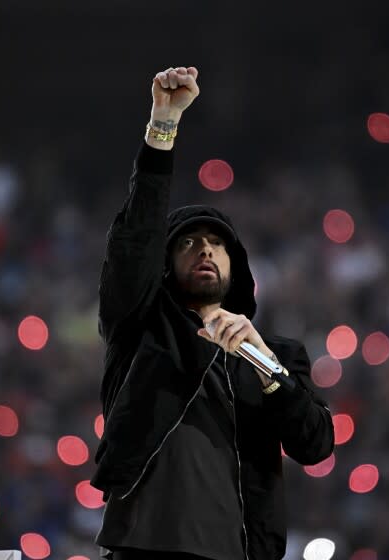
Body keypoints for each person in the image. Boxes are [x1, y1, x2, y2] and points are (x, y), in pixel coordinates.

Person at [91, 66, 336, 560]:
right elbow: (134, 243)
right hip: (143, 549)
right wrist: (163, 125)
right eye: (188, 243)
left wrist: (263, 361)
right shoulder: (141, 329)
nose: (204, 249)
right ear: (165, 266)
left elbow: (316, 444)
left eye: (217, 243)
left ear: (236, 266)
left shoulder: (278, 355)